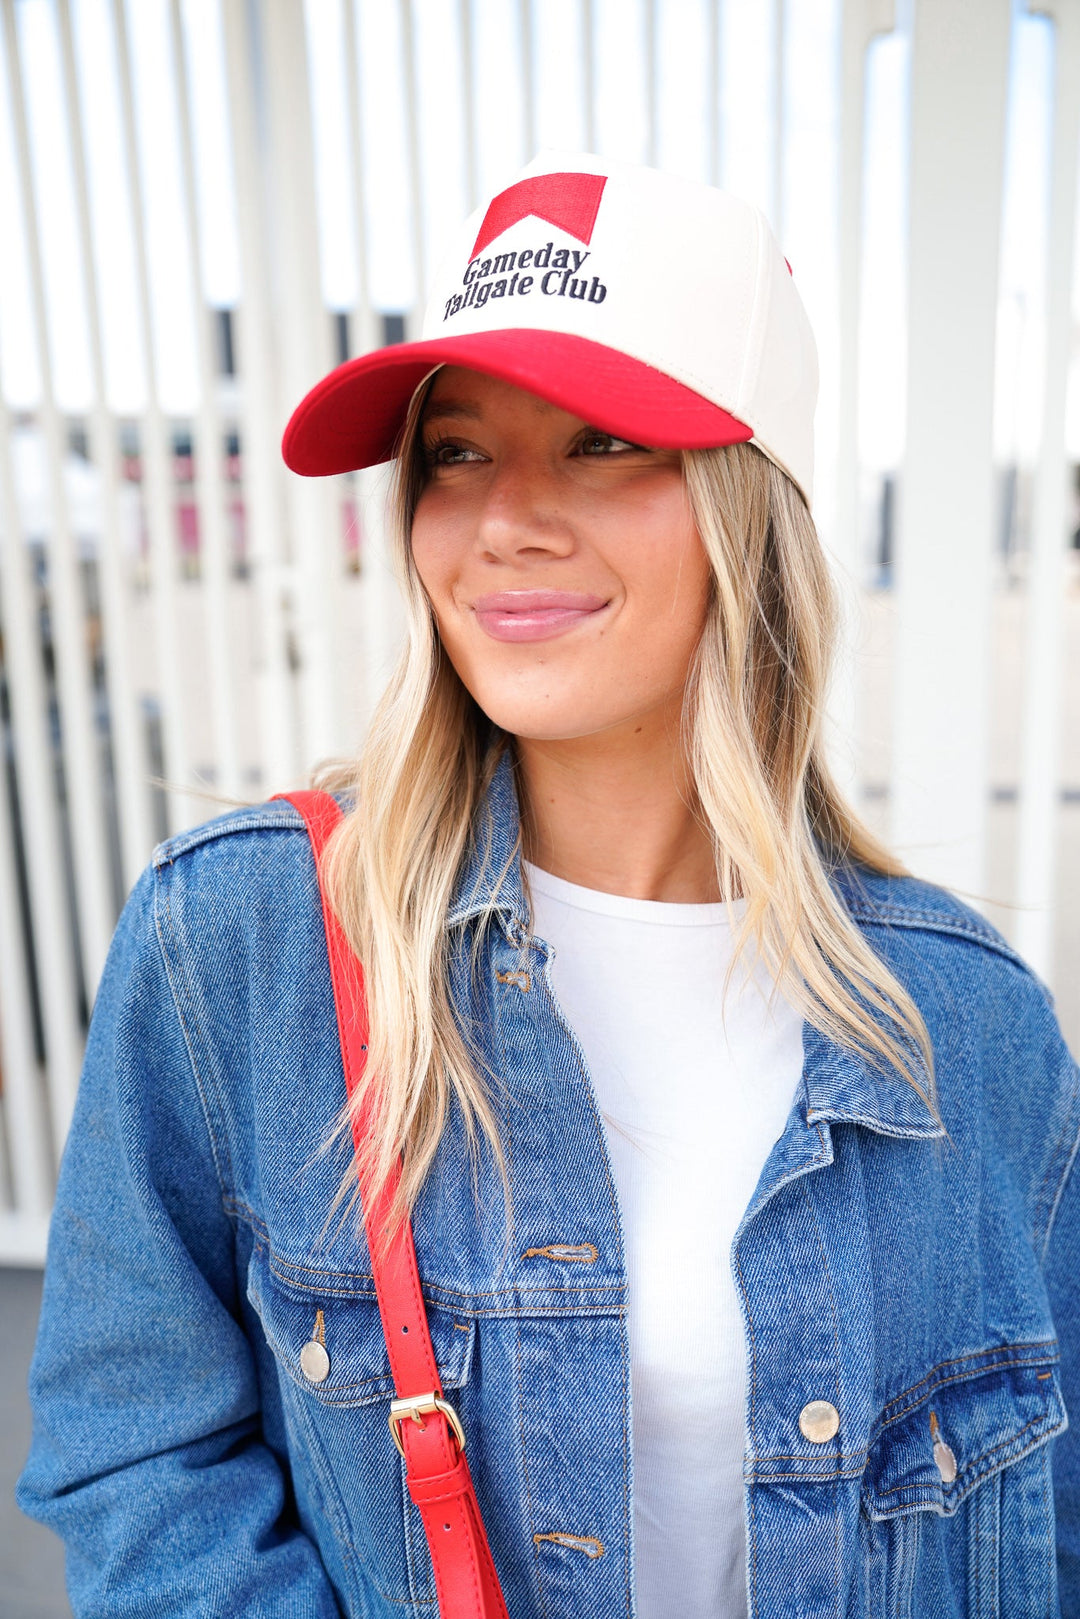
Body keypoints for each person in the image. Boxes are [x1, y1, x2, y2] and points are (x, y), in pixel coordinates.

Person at [18, 149, 1080, 1618]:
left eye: (599, 442)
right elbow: (136, 1458)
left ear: (745, 511)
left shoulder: (969, 1027)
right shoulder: (243, 941)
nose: (505, 518)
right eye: (455, 452)